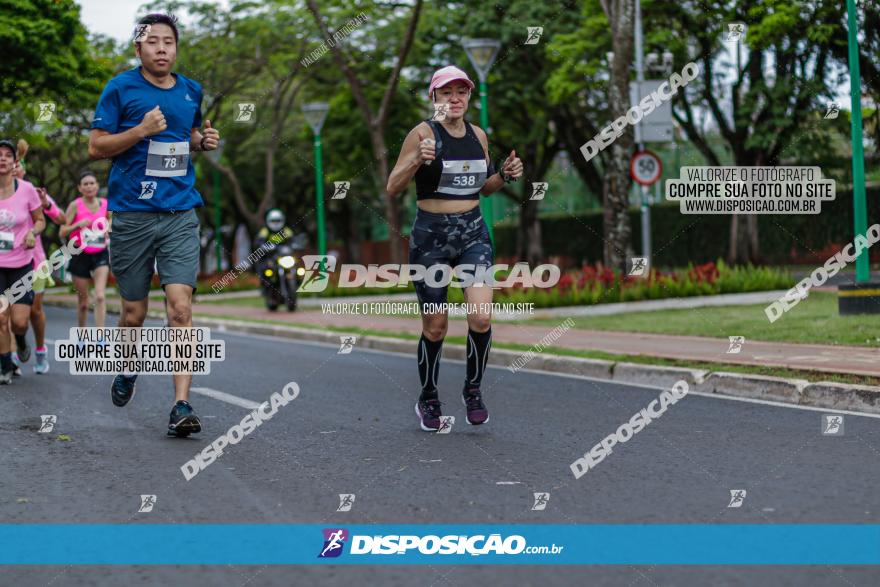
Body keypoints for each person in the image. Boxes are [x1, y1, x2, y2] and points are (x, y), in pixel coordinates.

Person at [88, 13, 220, 436]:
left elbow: (190, 135)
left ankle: (181, 404)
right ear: (138, 49)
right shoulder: (120, 88)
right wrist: (140, 130)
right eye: (153, 42)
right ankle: (128, 367)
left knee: (181, 309)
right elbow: (96, 146)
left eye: (169, 42)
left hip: (180, 211)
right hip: (132, 215)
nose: (162, 49)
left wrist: (203, 141)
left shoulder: (190, 90)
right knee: (133, 314)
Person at [386, 65, 523, 431]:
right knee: (436, 325)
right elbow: (392, 186)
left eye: (461, 92)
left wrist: (504, 175)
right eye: (446, 92)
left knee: (480, 317)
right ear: (434, 98)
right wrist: (417, 159)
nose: (455, 99)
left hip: (473, 234)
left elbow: (483, 187)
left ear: (468, 97)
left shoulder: (479, 135)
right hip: (430, 238)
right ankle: (428, 397)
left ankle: (472, 390)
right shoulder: (421, 133)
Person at [11, 140, 66, 374]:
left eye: (18, 166)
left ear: (23, 170)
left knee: (33, 311)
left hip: (36, 262)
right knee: (10, 312)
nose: (14, 169)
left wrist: (47, 206)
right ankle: (11, 355)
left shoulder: (34, 193)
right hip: (7, 261)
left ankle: (41, 350)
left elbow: (62, 220)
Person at [0, 139, 47, 384]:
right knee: (0, 318)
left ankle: (20, 340)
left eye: (8, 155)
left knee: (19, 321)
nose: (3, 158)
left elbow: (40, 220)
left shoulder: (27, 189)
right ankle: (5, 366)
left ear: (14, 161)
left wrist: (32, 232)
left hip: (21, 264)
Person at [59, 171, 111, 332]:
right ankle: (82, 334)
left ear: (97, 186)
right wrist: (76, 225)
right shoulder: (75, 205)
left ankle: (100, 336)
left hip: (100, 253)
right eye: (85, 184)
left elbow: (110, 219)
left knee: (100, 296)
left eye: (92, 183)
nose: (89, 187)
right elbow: (62, 231)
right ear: (80, 188)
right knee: (83, 303)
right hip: (80, 254)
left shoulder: (105, 204)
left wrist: (108, 227)